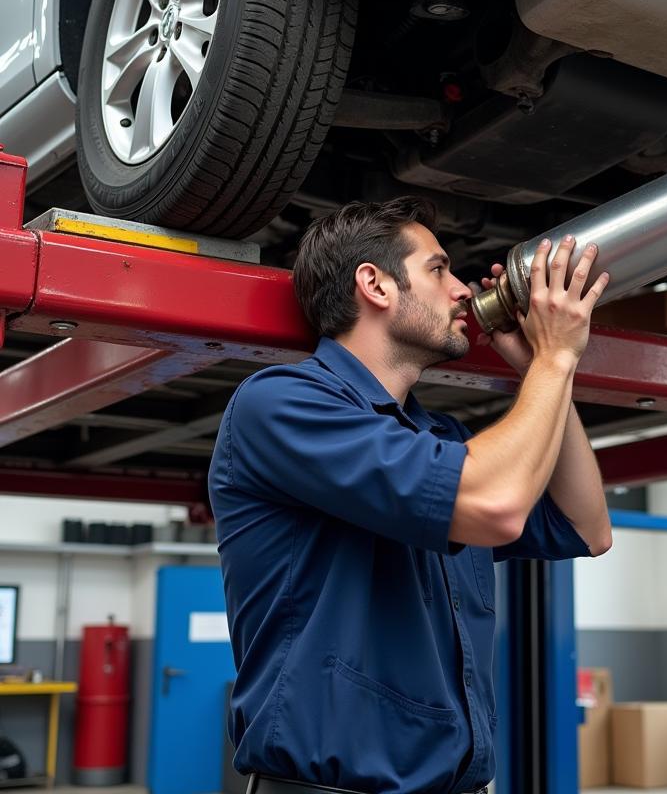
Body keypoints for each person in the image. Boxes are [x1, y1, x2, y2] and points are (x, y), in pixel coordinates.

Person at [209, 196, 613, 794]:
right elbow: (497, 504)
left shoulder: (440, 440)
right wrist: (556, 357)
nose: (460, 291)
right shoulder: (281, 404)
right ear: (374, 285)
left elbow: (588, 528)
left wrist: (545, 369)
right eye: (437, 269)